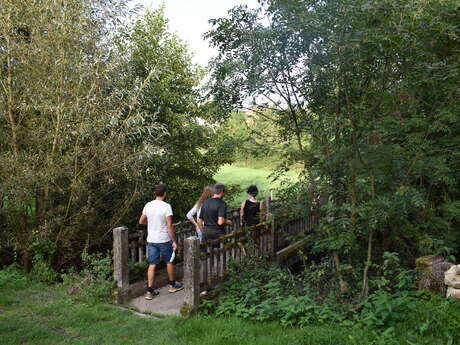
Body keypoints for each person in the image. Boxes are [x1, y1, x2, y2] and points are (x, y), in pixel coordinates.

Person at [138, 184, 183, 300]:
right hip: (163, 239)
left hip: (151, 239)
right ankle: (172, 285)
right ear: (165, 193)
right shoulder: (166, 206)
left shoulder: (148, 205)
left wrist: (152, 224)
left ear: (155, 193)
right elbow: (169, 226)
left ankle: (149, 291)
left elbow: (141, 221)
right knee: (169, 261)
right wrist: (174, 241)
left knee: (152, 265)